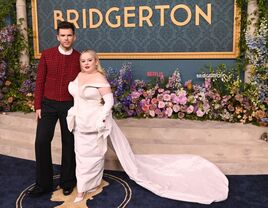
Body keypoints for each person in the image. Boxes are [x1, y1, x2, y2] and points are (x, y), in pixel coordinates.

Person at [67, 49, 229, 204]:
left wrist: (101, 118)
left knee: (92, 156)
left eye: (90, 60)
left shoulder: (99, 79)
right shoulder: (79, 76)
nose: (86, 63)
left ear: (96, 62)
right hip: (80, 123)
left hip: (94, 123)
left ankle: (84, 188)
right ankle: (86, 184)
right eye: (83, 61)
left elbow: (109, 101)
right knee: (81, 155)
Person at [28, 21, 80, 197]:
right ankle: (43, 184)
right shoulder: (47, 55)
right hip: (48, 105)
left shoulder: (79, 58)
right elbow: (40, 81)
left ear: (74, 37)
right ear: (58, 37)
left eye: (69, 35)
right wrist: (37, 106)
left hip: (70, 106)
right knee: (41, 142)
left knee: (69, 143)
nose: (66, 38)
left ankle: (67, 181)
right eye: (63, 35)